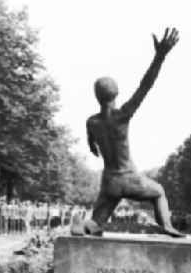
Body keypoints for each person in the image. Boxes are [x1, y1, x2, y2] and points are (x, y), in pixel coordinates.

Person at [78, 28, 183, 237]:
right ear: (116, 93)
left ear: (97, 96)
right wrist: (159, 57)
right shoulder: (122, 116)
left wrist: (93, 146)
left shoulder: (92, 122)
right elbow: (145, 86)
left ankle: (85, 225)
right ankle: (167, 226)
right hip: (128, 177)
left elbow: (92, 145)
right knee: (159, 192)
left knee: (97, 222)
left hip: (109, 181)